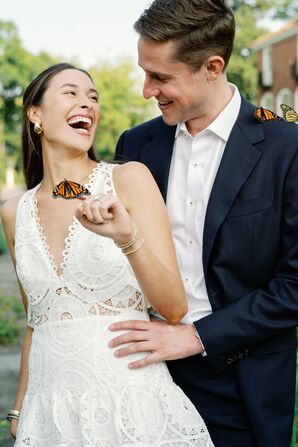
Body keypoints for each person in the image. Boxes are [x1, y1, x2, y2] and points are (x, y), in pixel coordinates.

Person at [112, 1, 298, 446]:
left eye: (161, 77)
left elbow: (294, 284)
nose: (145, 90)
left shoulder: (286, 147)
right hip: (140, 375)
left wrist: (197, 337)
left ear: (212, 67)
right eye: (144, 71)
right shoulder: (136, 146)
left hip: (241, 385)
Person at [1, 63, 214, 446]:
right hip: (48, 416)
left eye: (93, 97)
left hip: (131, 404)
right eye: (71, 93)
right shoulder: (14, 212)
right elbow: (37, 321)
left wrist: (126, 237)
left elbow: (174, 307)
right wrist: (19, 412)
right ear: (35, 114)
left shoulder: (127, 179)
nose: (87, 104)